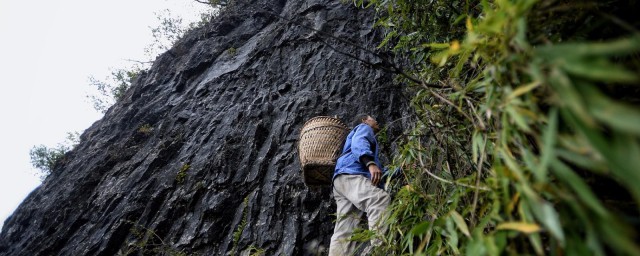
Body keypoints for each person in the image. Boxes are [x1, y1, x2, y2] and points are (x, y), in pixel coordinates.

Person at [328, 114, 391, 255]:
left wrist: (401, 169)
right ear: (364, 120)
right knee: (378, 200)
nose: (376, 121)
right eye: (373, 118)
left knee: (345, 228)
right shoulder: (364, 128)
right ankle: (382, 250)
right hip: (352, 173)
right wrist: (370, 163)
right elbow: (359, 142)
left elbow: (379, 173)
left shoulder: (356, 146)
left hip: (340, 180)